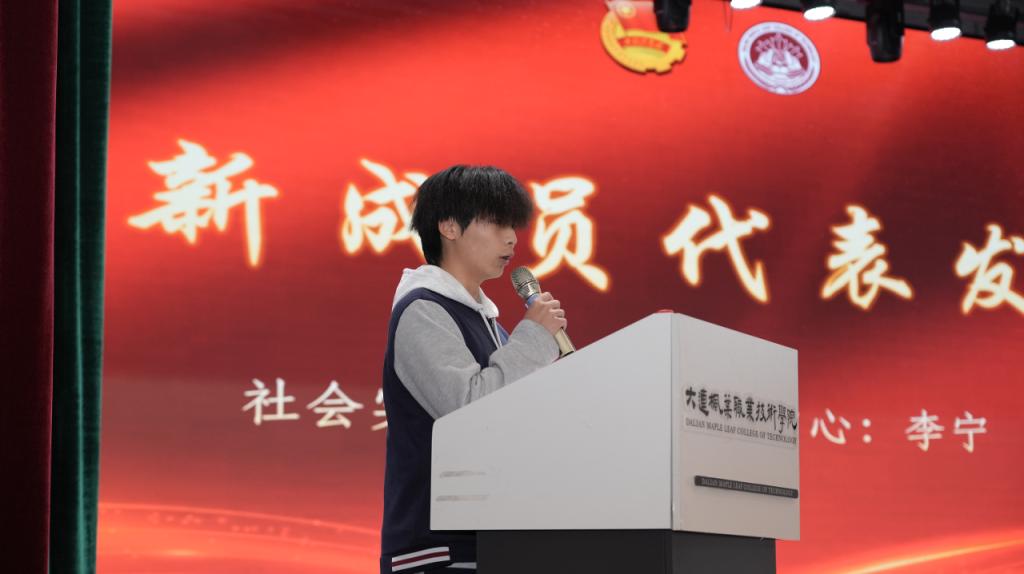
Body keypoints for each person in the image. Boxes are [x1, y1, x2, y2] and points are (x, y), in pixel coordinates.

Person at [379, 165, 567, 574]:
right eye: (497, 223)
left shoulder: (492, 326)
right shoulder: (423, 310)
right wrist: (534, 340)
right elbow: (469, 409)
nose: (512, 238)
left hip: (491, 546)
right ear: (448, 226)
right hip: (437, 551)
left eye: (513, 225)